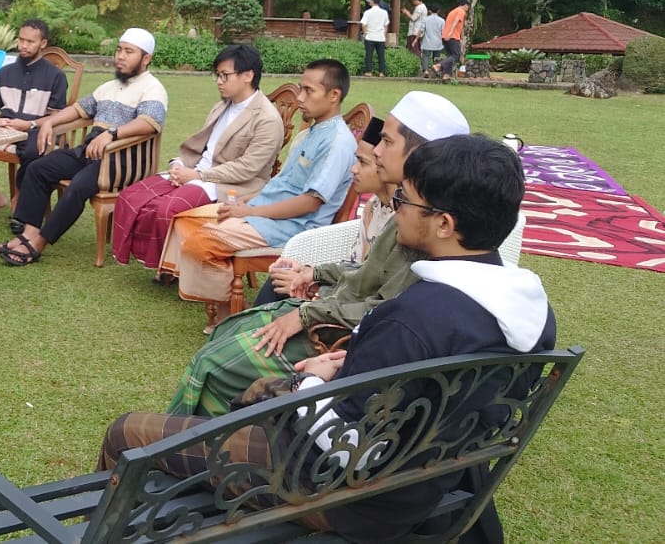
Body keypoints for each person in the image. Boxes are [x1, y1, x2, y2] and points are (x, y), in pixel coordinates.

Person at [99, 134, 552, 544]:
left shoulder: (410, 319)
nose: (396, 208)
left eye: (405, 200)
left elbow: (349, 450)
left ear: (444, 224)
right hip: (431, 482)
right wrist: (348, 367)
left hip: (348, 496)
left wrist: (313, 381)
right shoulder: (529, 313)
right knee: (258, 392)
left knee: (127, 435)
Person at [168, 90, 469, 416]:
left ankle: (191, 437)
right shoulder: (399, 211)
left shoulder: (423, 227)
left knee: (213, 364)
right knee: (227, 333)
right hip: (329, 309)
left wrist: (306, 313)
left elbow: (384, 311)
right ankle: (191, 433)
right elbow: (365, 273)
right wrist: (314, 274)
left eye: (386, 142)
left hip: (336, 336)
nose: (377, 152)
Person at [170, 59, 355, 327]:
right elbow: (285, 181)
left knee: (201, 240)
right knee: (188, 223)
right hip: (267, 214)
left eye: (308, 91)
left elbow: (309, 203)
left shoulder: (337, 141)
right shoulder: (314, 130)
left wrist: (250, 210)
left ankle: (230, 311)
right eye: (300, 89)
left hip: (294, 226)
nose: (300, 98)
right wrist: (249, 200)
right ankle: (232, 307)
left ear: (334, 95)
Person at [0, 28, 167, 266]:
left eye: (129, 52)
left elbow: (149, 123)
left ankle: (39, 243)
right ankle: (28, 234)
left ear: (146, 58)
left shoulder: (152, 88)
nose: (120, 56)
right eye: (119, 50)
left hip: (123, 159)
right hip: (91, 150)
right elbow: (78, 109)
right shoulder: (109, 86)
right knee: (37, 168)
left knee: (77, 186)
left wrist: (111, 134)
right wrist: (49, 123)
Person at [111, 44, 282, 269]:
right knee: (131, 196)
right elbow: (202, 147)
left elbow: (247, 168)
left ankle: (169, 268)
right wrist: (179, 164)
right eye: (217, 75)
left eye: (225, 75)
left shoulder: (267, 119)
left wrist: (198, 175)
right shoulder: (222, 106)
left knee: (167, 209)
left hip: (231, 184)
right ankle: (159, 261)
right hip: (198, 172)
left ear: (248, 76)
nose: (219, 81)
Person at [253, 118, 390, 308]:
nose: (354, 169)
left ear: (385, 165)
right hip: (344, 291)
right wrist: (308, 272)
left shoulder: (402, 218)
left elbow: (369, 288)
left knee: (285, 288)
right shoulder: (374, 206)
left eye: (363, 162)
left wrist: (315, 289)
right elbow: (353, 266)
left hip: (356, 309)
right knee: (279, 280)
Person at [0, 19, 68, 226]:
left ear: (43, 43)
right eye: (21, 40)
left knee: (34, 151)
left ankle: (19, 201)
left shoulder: (56, 76)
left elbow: (57, 117)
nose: (24, 46)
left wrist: (29, 125)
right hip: (5, 129)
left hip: (37, 130)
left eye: (30, 42)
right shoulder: (5, 72)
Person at [438, 0, 468, 80]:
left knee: (450, 56)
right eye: (467, 7)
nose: (467, 9)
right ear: (465, 5)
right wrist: (451, 32)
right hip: (453, 36)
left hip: (445, 36)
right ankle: (439, 65)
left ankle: (446, 75)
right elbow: (456, 21)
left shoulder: (452, 12)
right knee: (456, 56)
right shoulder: (461, 11)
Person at [360, 0, 388, 76]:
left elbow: (364, 24)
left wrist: (365, 33)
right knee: (381, 56)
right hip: (380, 37)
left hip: (370, 36)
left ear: (372, 1)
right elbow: (385, 25)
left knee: (369, 55)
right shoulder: (384, 12)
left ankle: (368, 72)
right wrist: (384, 35)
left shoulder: (367, 12)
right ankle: (381, 72)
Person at [420, 9, 445, 79]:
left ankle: (426, 71)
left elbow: (421, 30)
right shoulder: (442, 20)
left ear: (429, 11)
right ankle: (436, 72)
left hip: (427, 42)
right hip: (437, 42)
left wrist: (417, 39)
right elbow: (443, 32)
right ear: (438, 11)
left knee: (426, 56)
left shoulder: (425, 19)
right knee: (436, 57)